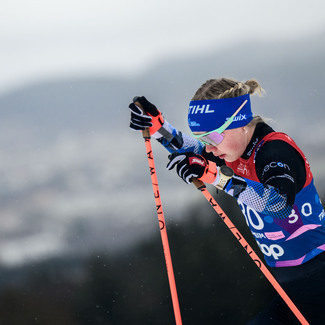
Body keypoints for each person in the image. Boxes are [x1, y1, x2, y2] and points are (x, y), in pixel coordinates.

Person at [129, 77, 325, 324]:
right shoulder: (234, 150)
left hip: (318, 278)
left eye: (213, 138)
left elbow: (279, 205)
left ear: (240, 123)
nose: (209, 148)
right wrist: (158, 127)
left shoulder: (275, 151)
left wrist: (216, 177)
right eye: (203, 138)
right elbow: (190, 150)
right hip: (290, 289)